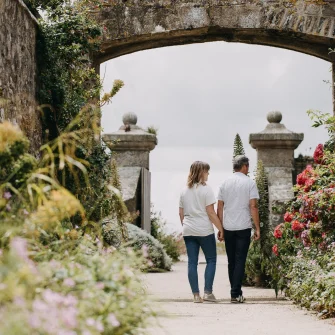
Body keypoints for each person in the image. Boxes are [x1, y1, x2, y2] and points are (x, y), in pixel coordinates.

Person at [217, 155, 260, 303]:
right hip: (243, 226)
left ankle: (236, 292)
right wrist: (257, 228)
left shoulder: (224, 183)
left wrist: (220, 227)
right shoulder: (250, 183)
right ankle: (235, 293)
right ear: (245, 166)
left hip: (228, 226)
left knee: (232, 261)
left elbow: (220, 207)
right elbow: (253, 206)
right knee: (240, 259)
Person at [179, 161, 224, 303]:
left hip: (188, 229)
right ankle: (208, 293)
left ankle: (196, 295)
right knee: (211, 260)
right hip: (204, 230)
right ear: (201, 172)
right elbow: (210, 212)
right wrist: (221, 229)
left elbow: (181, 213)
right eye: (207, 171)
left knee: (192, 262)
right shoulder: (207, 190)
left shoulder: (184, 190)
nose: (208, 174)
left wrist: (187, 226)